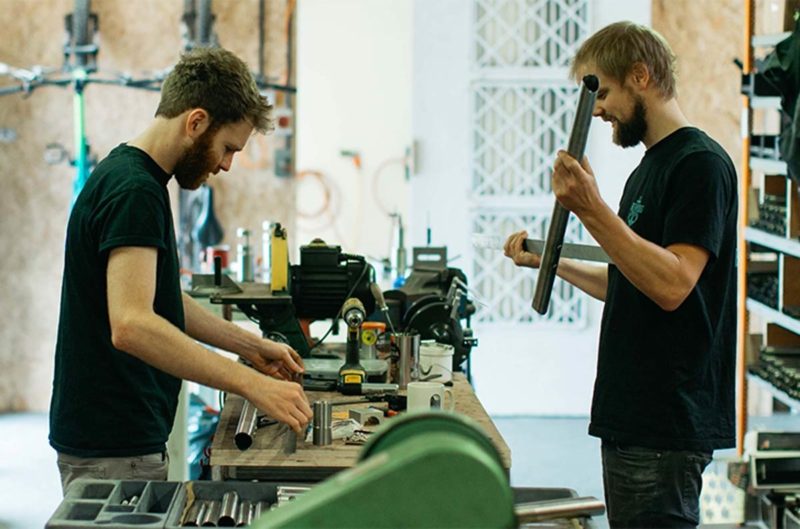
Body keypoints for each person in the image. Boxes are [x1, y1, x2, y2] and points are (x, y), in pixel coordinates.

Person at [504, 21, 737, 528]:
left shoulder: (701, 166)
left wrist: (592, 209)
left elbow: (673, 285)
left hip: (665, 425)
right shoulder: (647, 170)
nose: (600, 109)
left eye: (602, 92)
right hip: (633, 419)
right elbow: (630, 283)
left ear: (640, 75)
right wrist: (550, 262)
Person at [49, 47, 313, 493]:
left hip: (116, 439)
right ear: (195, 122)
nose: (226, 164)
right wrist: (252, 385)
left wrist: (251, 347)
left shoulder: (130, 175)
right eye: (227, 147)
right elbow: (132, 325)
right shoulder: (135, 191)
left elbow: (161, 300)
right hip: (112, 447)